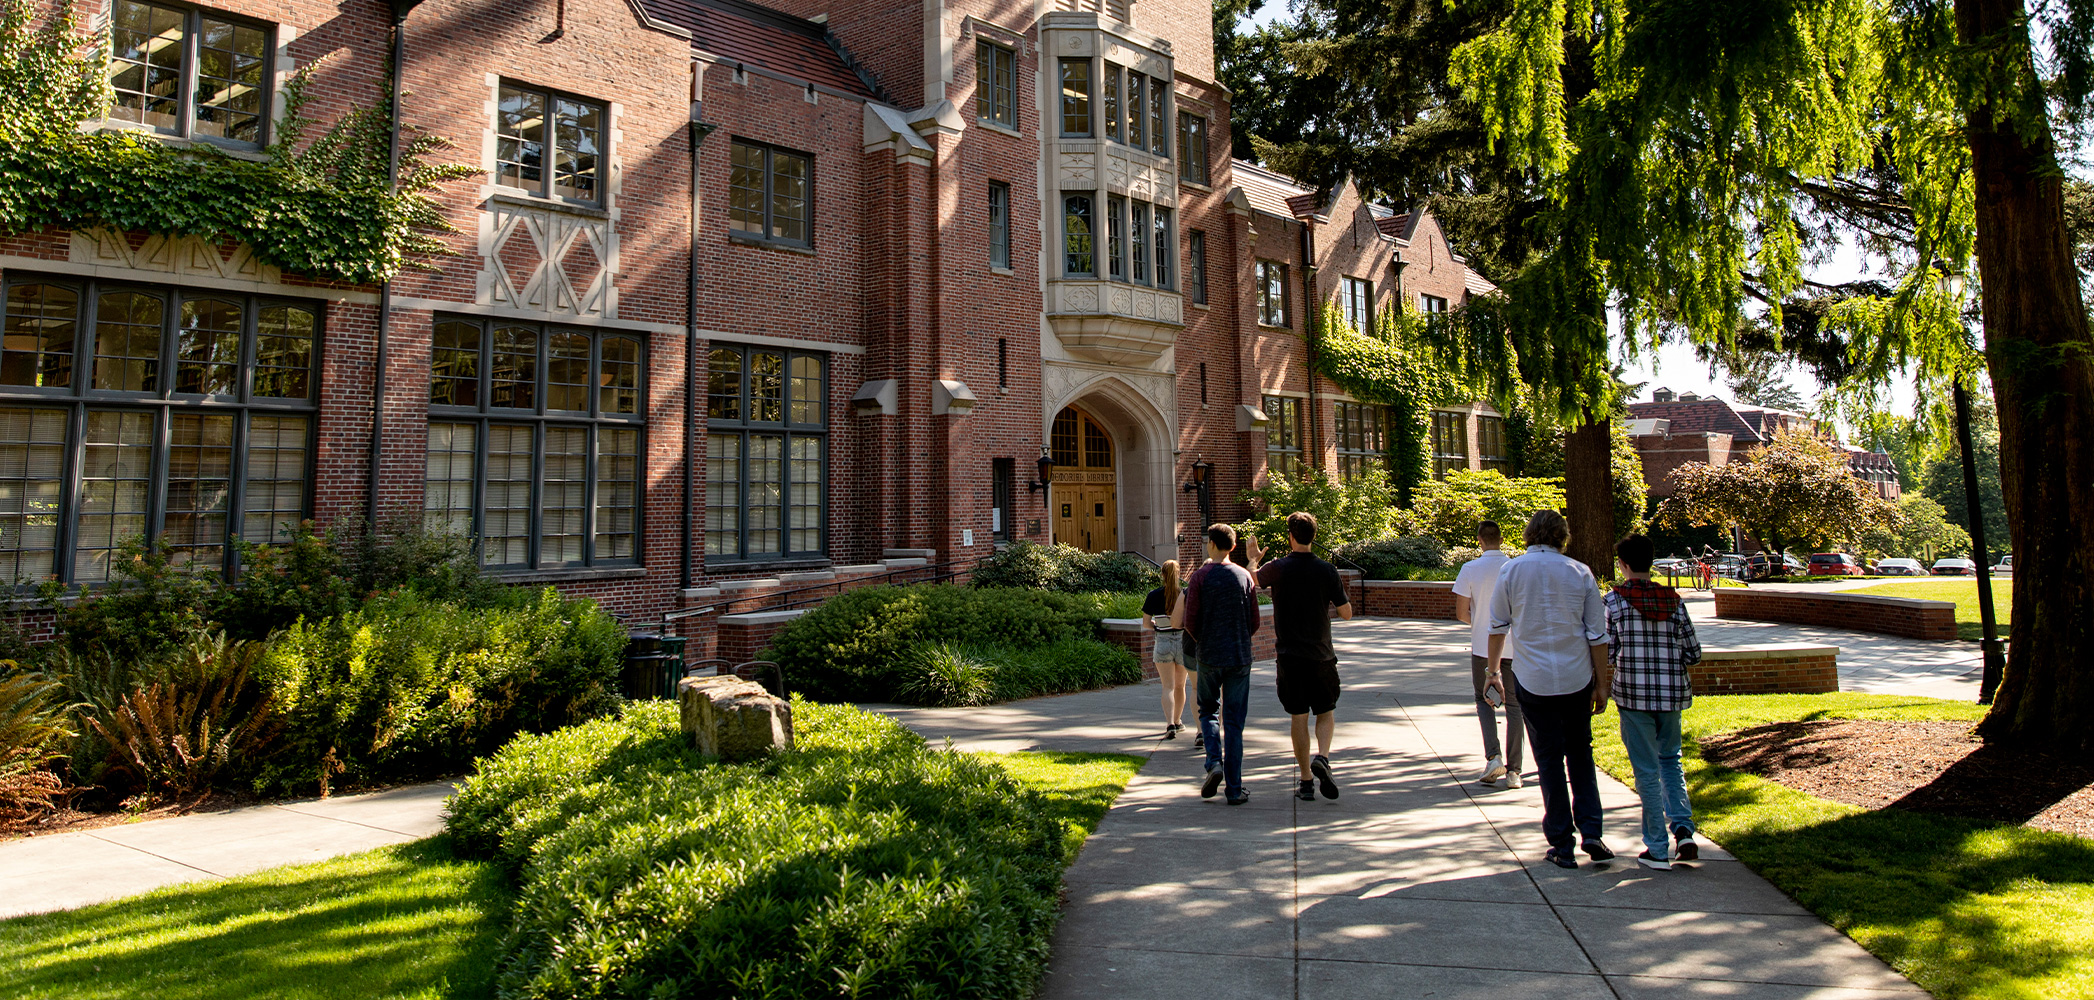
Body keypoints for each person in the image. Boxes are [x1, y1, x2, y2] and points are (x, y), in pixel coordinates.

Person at [1486, 509, 1613, 869]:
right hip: (1576, 678)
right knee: (1580, 754)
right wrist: (1601, 684)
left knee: (1548, 761)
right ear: (1562, 536)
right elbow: (1597, 635)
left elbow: (1497, 626)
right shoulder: (1579, 572)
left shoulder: (1511, 570)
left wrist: (1492, 671)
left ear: (1530, 534)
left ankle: (1561, 842)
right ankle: (1592, 831)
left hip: (1533, 679)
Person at [1605, 534, 1703, 870]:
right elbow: (1693, 653)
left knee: (1646, 770)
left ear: (1624, 564)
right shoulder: (1674, 600)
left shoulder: (1614, 602)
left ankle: (1657, 847)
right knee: (1671, 760)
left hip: (1633, 695)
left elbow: (1608, 652)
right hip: (1672, 695)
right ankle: (1684, 830)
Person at [1244, 512, 1353, 802]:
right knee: (1325, 711)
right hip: (1321, 655)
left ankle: (1305, 781)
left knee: (1298, 717)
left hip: (1289, 656)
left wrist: (1253, 558)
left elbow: (1252, 581)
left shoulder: (1278, 568)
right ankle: (1324, 758)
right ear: (1313, 536)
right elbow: (1346, 613)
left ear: (1291, 537)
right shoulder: (1327, 570)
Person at [1177, 523, 1261, 805]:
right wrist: (1237, 638)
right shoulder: (1245, 577)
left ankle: (1214, 763)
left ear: (1210, 544)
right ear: (1233, 547)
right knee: (1235, 722)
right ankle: (1235, 789)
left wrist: (1206, 640)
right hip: (1239, 656)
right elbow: (1255, 621)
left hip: (1210, 656)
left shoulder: (1199, 578)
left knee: (1209, 712)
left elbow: (1189, 622)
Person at [1452, 520, 1522, 789]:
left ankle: (1493, 757)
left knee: (1484, 701)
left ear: (1479, 539)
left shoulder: (1470, 569)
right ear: (1501, 539)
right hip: (1514, 647)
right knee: (1515, 705)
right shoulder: (1515, 567)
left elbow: (1460, 613)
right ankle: (1515, 770)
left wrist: (1481, 621)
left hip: (1483, 646)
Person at [1142, 560, 1194, 739]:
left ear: (1162, 574)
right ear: (1179, 573)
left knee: (1167, 687)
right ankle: (1178, 721)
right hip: (1182, 642)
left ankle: (1170, 723)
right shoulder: (1185, 594)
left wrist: (1159, 625)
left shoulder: (1153, 595)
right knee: (1181, 686)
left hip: (1163, 642)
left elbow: (1146, 624)